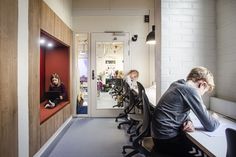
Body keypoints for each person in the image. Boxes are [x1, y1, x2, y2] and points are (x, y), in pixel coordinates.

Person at [151, 67, 220, 157]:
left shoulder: (178, 84)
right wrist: (214, 117)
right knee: (204, 153)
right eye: (204, 91)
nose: (201, 95)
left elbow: (180, 110)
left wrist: (188, 121)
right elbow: (211, 125)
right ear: (202, 84)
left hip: (158, 137)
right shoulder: (191, 90)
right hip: (166, 141)